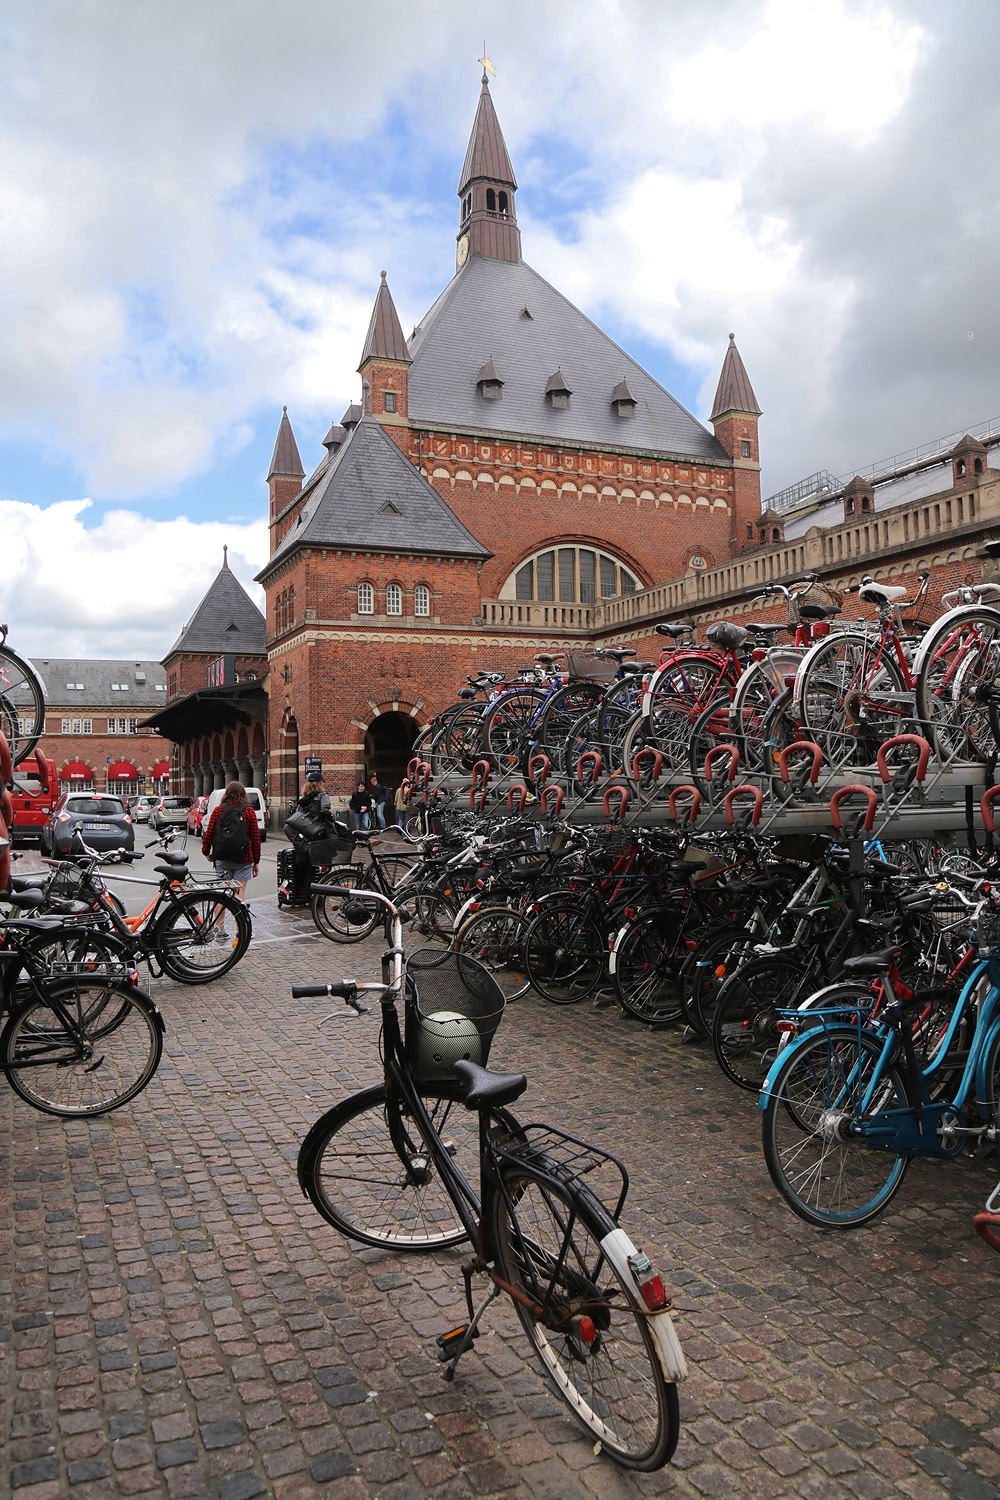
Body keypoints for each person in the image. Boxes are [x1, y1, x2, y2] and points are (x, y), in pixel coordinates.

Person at [201, 781, 260, 935]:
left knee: (221, 894)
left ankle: (220, 929)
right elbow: (255, 838)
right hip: (244, 858)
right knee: (239, 894)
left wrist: (206, 852)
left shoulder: (218, 810)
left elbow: (209, 834)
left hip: (222, 857)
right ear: (243, 794)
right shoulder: (248, 811)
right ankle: (241, 929)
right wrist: (256, 861)